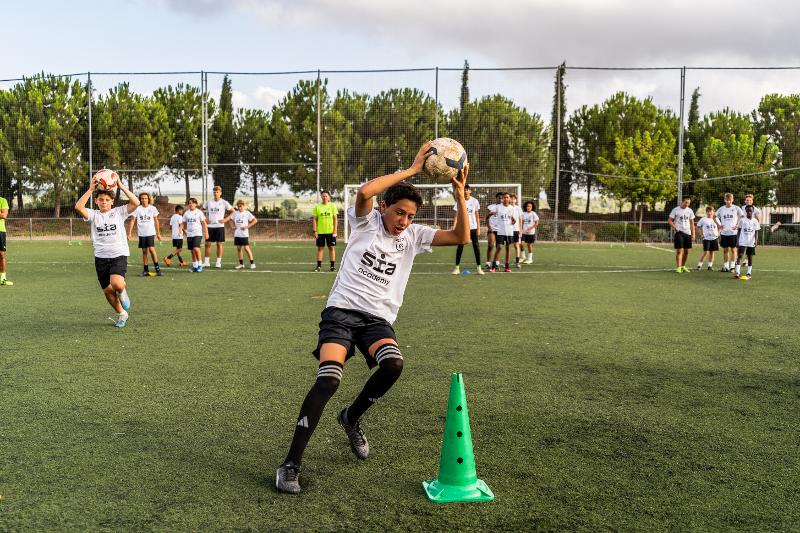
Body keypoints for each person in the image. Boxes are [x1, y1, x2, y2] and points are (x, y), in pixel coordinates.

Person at [275, 141, 471, 495]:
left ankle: (351, 417)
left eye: (410, 216)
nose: (404, 221)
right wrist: (413, 170)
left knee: (393, 364)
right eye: (399, 212)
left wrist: (459, 195)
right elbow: (365, 191)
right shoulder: (364, 223)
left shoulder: (414, 236)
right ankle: (290, 465)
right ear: (385, 207)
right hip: (341, 314)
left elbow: (461, 236)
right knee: (329, 380)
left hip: (377, 321)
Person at [74, 177, 140, 328]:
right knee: (108, 292)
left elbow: (136, 203)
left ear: (112, 202)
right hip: (101, 257)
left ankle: (122, 291)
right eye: (101, 199)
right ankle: (122, 314)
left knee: (116, 283)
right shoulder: (93, 215)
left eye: (107, 200)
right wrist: (91, 189)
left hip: (118, 254)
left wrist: (121, 186)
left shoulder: (119, 212)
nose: (104, 202)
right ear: (96, 201)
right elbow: (78, 207)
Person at [127, 192, 162, 277]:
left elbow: (156, 221)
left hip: (150, 232)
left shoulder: (153, 208)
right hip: (141, 233)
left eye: (145, 198)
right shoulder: (137, 209)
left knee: (151, 249)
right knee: (144, 251)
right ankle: (146, 270)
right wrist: (129, 233)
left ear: (148, 199)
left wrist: (158, 233)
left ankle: (158, 269)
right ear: (140, 200)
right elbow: (132, 220)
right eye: (142, 198)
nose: (144, 200)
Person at [451, 184, 483, 275]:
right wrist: (454, 226)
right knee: (460, 246)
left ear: (470, 191)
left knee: (476, 247)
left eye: (467, 189)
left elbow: (477, 216)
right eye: (464, 190)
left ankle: (479, 268)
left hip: (473, 227)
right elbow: (456, 215)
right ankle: (457, 268)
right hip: (463, 227)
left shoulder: (475, 201)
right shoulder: (459, 201)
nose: (465, 191)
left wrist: (478, 228)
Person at [202, 186, 233, 268]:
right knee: (207, 244)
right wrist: (205, 219)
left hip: (219, 226)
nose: (215, 193)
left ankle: (218, 262)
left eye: (217, 192)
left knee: (219, 244)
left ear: (220, 193)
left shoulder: (224, 202)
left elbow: (233, 211)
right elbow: (200, 210)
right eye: (214, 192)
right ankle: (206, 262)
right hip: (210, 226)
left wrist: (226, 219)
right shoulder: (208, 202)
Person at [489, 192, 516, 273]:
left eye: (507, 197)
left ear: (509, 199)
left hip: (509, 231)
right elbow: (489, 215)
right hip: (500, 231)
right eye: (504, 197)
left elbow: (512, 219)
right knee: (499, 247)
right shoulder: (498, 207)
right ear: (502, 199)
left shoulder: (512, 208)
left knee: (508, 247)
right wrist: (489, 224)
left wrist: (513, 221)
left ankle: (507, 267)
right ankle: (493, 266)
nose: (505, 199)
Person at [227, 199, 258, 270]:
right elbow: (230, 219)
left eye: (240, 206)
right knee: (238, 248)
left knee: (246, 248)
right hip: (237, 234)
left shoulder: (247, 213)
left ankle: (252, 263)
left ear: (243, 206)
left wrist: (247, 227)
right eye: (238, 206)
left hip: (244, 234)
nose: (239, 207)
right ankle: (241, 264)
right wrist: (232, 226)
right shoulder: (235, 213)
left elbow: (255, 220)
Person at [312, 191, 338, 272]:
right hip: (320, 232)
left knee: (331, 248)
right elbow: (314, 219)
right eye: (323, 196)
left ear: (329, 197)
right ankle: (319, 266)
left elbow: (335, 219)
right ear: (321, 197)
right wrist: (315, 231)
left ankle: (332, 266)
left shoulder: (332, 206)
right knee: (320, 248)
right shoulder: (317, 207)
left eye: (326, 196)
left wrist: (335, 230)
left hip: (330, 232)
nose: (324, 197)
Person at [668, 196, 695, 273]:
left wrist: (693, 234)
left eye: (689, 203)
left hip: (688, 233)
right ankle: (678, 267)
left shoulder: (690, 211)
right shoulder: (675, 210)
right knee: (679, 250)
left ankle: (683, 266)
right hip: (679, 233)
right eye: (686, 202)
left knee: (686, 251)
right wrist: (675, 227)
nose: (687, 204)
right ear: (682, 202)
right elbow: (669, 220)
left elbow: (692, 223)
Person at [717, 192, 741, 272]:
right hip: (724, 233)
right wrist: (719, 224)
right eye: (727, 200)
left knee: (733, 250)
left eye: (730, 200)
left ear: (732, 200)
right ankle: (726, 266)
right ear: (724, 200)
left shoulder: (736, 208)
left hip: (733, 233)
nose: (728, 202)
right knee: (725, 250)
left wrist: (737, 225)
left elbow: (742, 216)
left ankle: (732, 267)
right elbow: (715, 216)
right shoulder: (721, 209)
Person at [735, 205, 760, 280]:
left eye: (750, 211)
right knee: (740, 255)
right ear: (745, 211)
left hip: (751, 242)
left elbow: (756, 232)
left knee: (750, 257)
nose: (749, 212)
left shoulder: (755, 221)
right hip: (742, 241)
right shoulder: (742, 220)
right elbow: (738, 231)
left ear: (753, 211)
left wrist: (756, 241)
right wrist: (737, 241)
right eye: (747, 211)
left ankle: (749, 273)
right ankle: (737, 272)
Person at [184, 198, 209, 272]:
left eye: (192, 203)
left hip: (197, 233)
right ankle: (195, 266)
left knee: (196, 248)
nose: (191, 204)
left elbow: (204, 223)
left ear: (195, 204)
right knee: (192, 251)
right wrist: (180, 229)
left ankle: (200, 265)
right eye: (189, 203)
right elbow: (183, 222)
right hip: (189, 234)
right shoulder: (186, 213)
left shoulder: (199, 212)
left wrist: (206, 233)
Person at [696, 206, 721, 271]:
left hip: (714, 238)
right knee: (706, 252)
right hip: (706, 238)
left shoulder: (716, 219)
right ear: (706, 212)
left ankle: (710, 266)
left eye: (711, 211)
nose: (709, 213)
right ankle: (699, 265)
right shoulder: (703, 219)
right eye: (708, 211)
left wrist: (718, 233)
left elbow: (719, 227)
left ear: (713, 212)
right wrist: (701, 234)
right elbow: (698, 226)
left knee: (712, 252)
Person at [484, 192, 502, 270]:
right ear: (496, 198)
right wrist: (489, 227)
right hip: (492, 229)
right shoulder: (491, 207)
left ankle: (496, 263)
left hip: (501, 230)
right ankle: (488, 263)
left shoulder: (506, 207)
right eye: (499, 198)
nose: (501, 199)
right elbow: (486, 218)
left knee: (499, 247)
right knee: (491, 245)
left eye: (502, 198)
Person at [0, 194, 12, 286]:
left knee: (1, 254)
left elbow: (4, 215)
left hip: (0, 230)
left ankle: (3, 279)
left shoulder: (3, 200)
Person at [510, 193, 523, 268]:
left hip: (516, 230)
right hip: (508, 230)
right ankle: (507, 262)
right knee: (508, 246)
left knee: (516, 245)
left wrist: (520, 230)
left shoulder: (518, 208)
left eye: (514, 199)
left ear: (516, 200)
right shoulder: (507, 208)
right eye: (511, 198)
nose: (512, 200)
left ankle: (517, 262)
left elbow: (520, 220)